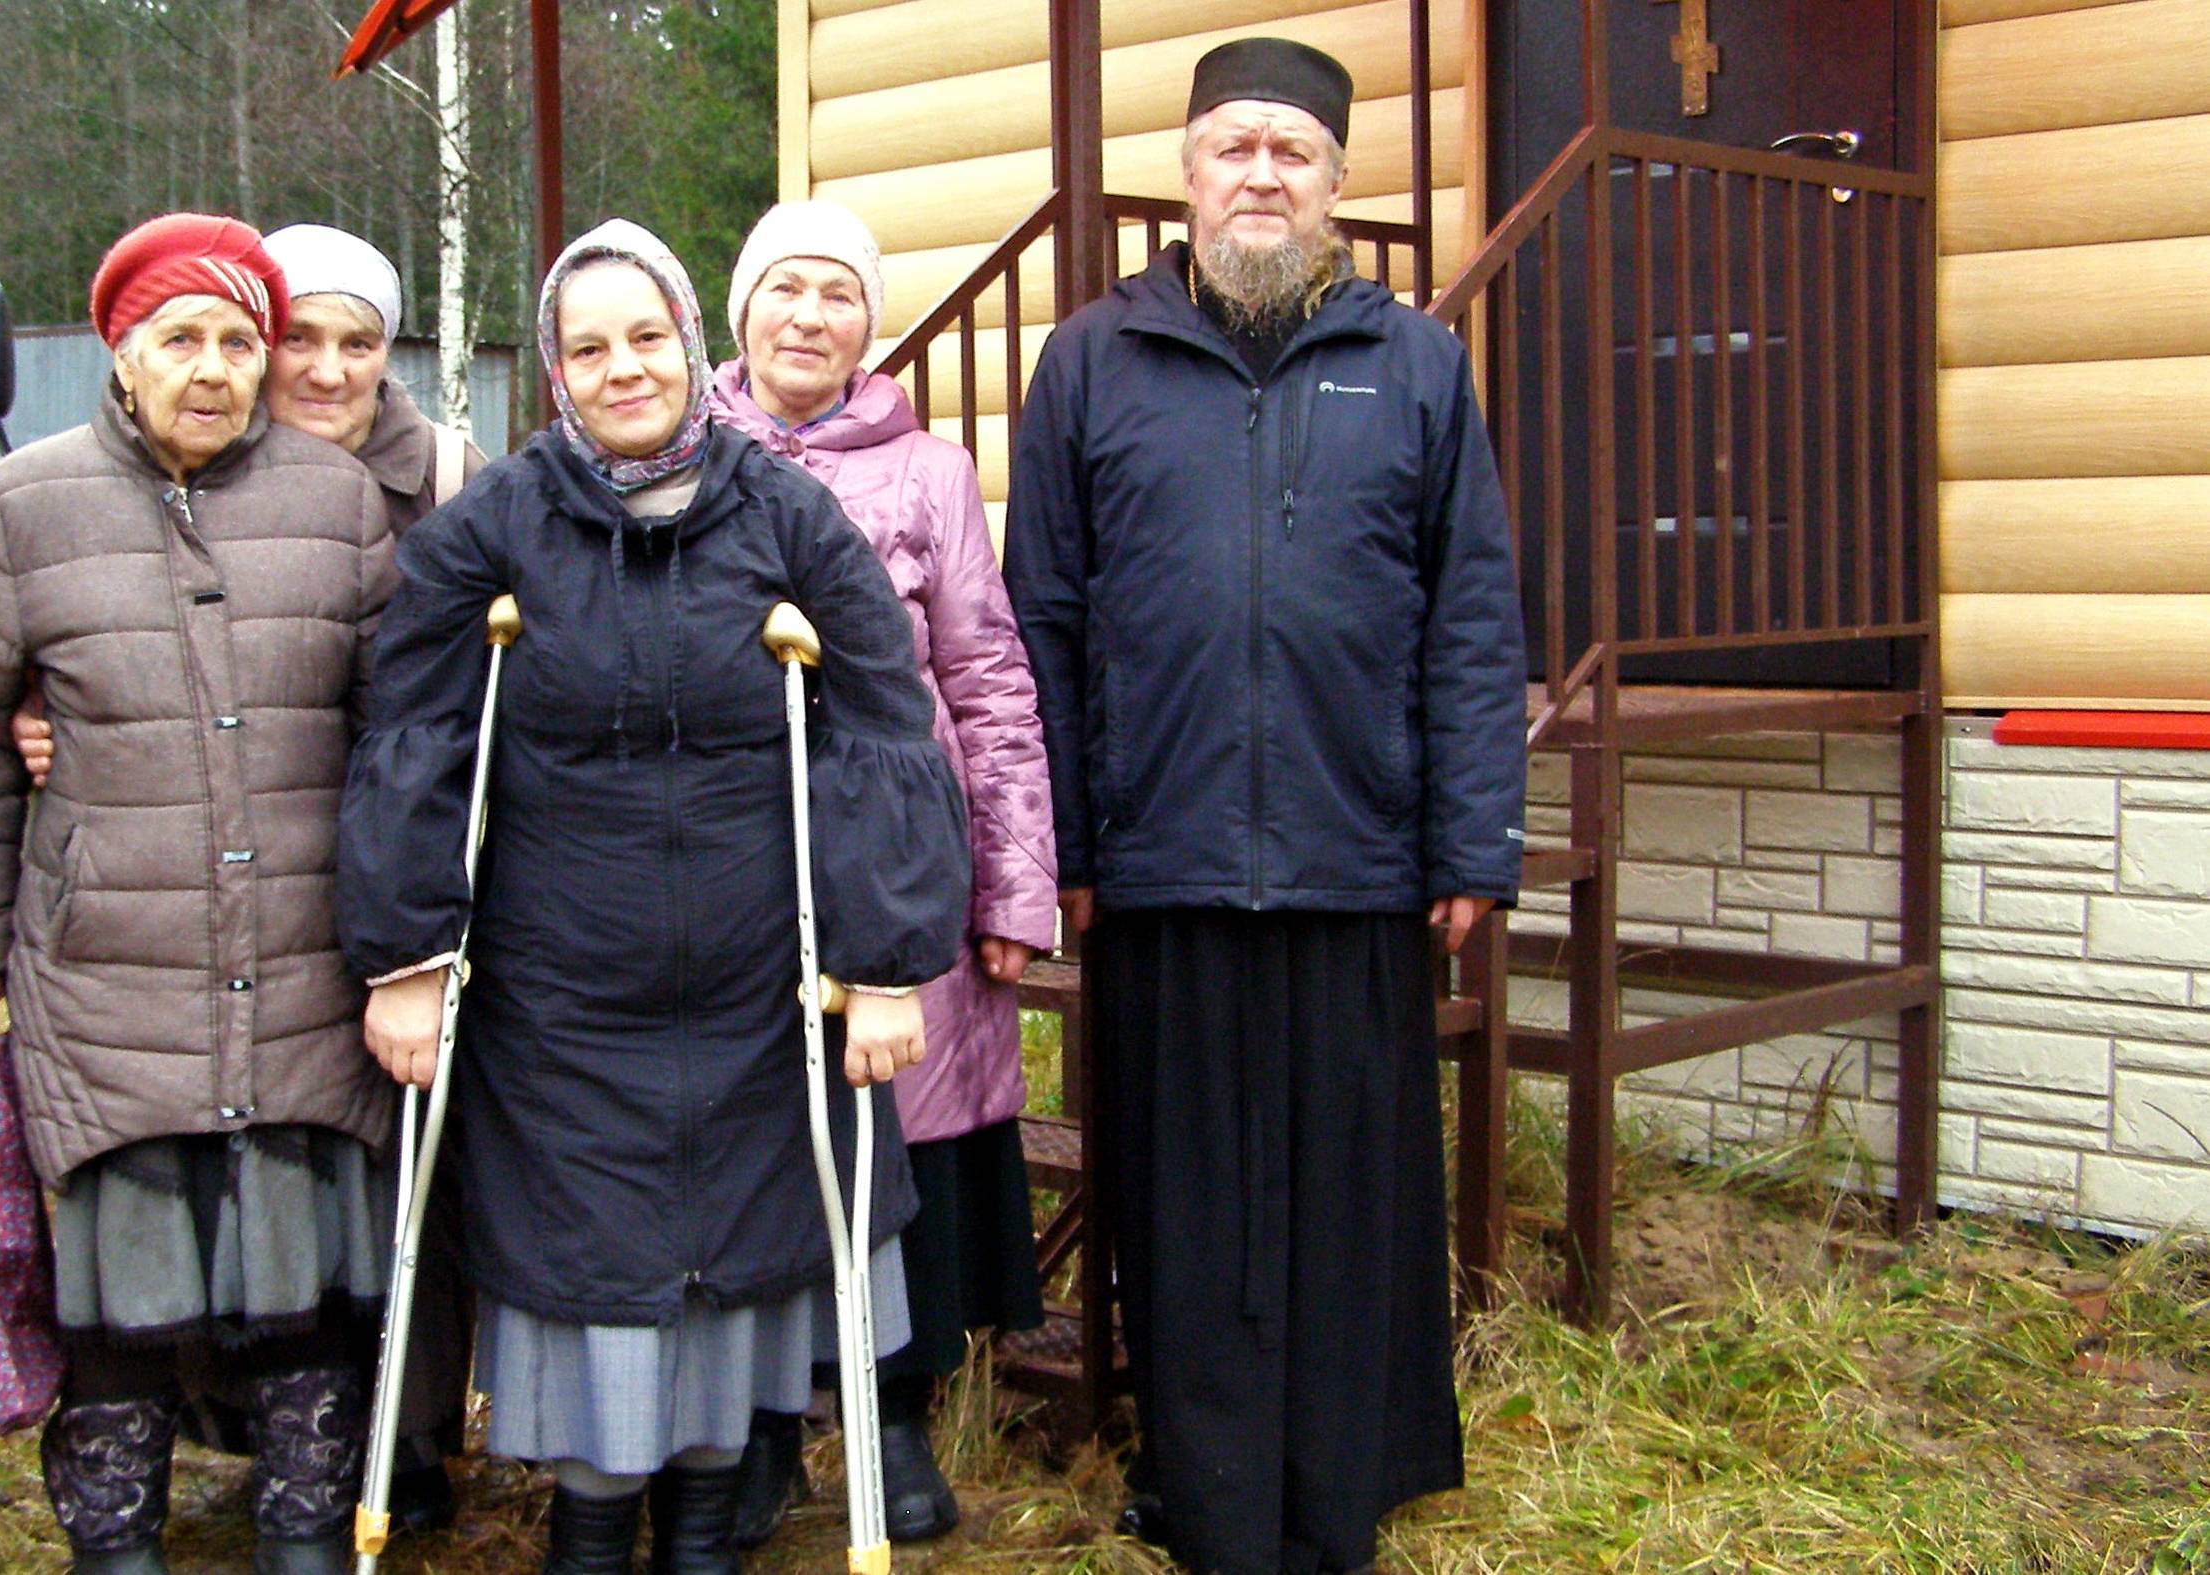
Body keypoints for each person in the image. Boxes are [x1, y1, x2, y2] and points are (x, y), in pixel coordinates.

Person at [336, 218, 972, 1575]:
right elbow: (414, 735)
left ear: (689, 342)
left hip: (759, 986)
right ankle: (588, 1531)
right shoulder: (495, 525)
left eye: (645, 338)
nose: (623, 369)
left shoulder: (789, 516)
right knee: (594, 1289)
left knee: (736, 1276)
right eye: (587, 347)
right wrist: (404, 961)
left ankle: (702, 1537)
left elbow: (879, 730)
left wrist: (886, 960)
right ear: (556, 372)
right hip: (560, 997)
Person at [1002, 37, 1526, 1575]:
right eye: (1233, 146)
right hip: (1159, 866)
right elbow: (1044, 620)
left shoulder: (1414, 362)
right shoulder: (1095, 359)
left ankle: (1336, 1489)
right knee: (1185, 1203)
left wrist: (1473, 838)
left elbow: (1472, 617)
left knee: (1353, 1200)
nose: (1261, 176)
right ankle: (1207, 1490)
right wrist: (1067, 845)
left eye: (1292, 152)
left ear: (1339, 186)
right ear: (1187, 170)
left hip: (1357, 856)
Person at [0, 212, 400, 1575]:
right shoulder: (23, 502)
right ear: (118, 359)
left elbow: (399, 728)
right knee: (118, 1283)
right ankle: (113, 1539)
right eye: (179, 339)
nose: (213, 368)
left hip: (304, 952)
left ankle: (305, 1526)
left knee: (306, 1269)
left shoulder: (336, 500)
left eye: (240, 341)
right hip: (105, 959)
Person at [10, 220, 488, 1533]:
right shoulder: (109, 491)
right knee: (202, 1184)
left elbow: (446, 699)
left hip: (379, 889)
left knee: (374, 1196)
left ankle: (401, 1448)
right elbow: (29, 649)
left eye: (359, 343)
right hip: (183, 900)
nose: (324, 369)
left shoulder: (433, 480)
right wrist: (53, 715)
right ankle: (235, 1454)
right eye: (298, 340)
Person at [704, 199, 1055, 1547]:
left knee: (888, 1143)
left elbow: (986, 678)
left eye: (838, 295)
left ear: (869, 324)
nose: (809, 316)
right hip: (729, 868)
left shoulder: (928, 473)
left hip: (899, 862)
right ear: (741, 312)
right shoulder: (674, 449)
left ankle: (892, 1416)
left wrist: (1014, 885)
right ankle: (756, 1432)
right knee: (751, 1150)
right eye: (785, 289)